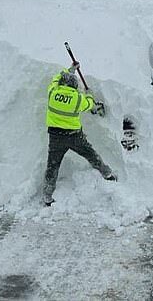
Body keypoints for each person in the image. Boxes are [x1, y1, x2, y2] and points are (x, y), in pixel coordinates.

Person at [42, 62, 116, 206]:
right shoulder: (77, 99)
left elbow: (55, 80)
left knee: (52, 165)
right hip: (74, 136)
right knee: (91, 154)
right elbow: (89, 104)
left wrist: (69, 70)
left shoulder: (52, 92)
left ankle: (47, 195)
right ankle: (107, 174)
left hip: (55, 137)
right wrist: (89, 95)